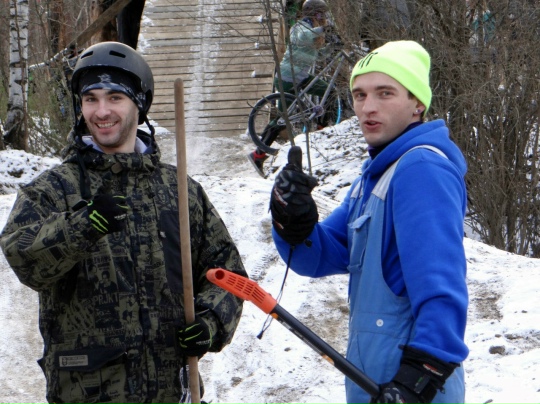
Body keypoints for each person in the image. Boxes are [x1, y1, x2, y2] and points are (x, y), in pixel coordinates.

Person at [0, 41, 248, 404]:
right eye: (91, 99)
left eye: (115, 98)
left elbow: (228, 274)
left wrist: (210, 322)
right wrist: (82, 225)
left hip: (172, 391)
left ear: (139, 103)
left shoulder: (179, 191)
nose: (101, 111)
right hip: (89, 393)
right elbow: (23, 258)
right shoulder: (54, 190)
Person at [269, 40, 469, 403]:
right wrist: (291, 219)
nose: (368, 107)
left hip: (409, 387)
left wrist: (420, 377)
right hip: (373, 380)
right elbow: (322, 255)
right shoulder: (376, 175)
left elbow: (442, 284)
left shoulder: (421, 168)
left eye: (385, 93)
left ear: (417, 103)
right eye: (359, 95)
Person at [247, 0, 334, 177]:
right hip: (288, 78)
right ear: (314, 14)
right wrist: (323, 30)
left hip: (301, 77)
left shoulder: (313, 31)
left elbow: (317, 56)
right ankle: (258, 155)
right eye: (321, 14)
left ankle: (320, 129)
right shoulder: (300, 27)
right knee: (282, 119)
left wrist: (333, 46)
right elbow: (302, 38)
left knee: (330, 92)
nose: (323, 17)